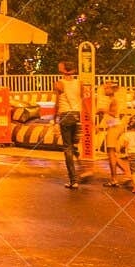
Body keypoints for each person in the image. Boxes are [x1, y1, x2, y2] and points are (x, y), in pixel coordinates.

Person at [53, 61, 83, 189]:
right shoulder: (79, 83)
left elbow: (57, 103)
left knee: (67, 148)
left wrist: (54, 118)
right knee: (74, 145)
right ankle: (82, 168)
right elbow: (82, 99)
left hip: (65, 115)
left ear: (64, 70)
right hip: (77, 115)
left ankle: (73, 180)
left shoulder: (59, 83)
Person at [98, 80, 127, 187]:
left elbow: (114, 114)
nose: (105, 90)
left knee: (111, 154)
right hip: (113, 126)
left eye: (107, 88)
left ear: (112, 90)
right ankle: (126, 173)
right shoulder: (111, 100)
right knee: (111, 154)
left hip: (114, 127)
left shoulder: (113, 100)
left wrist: (103, 110)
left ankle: (115, 178)